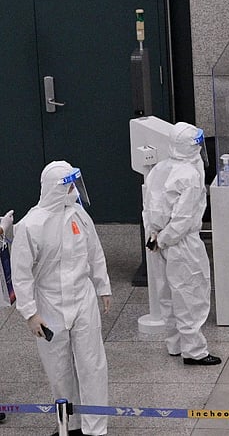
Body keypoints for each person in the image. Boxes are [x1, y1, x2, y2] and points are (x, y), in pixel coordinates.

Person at [11, 161, 111, 436]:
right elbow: (21, 275)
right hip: (49, 303)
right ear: (55, 188)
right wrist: (30, 313)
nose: (73, 191)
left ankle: (95, 427)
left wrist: (103, 287)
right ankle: (70, 424)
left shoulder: (78, 215)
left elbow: (95, 251)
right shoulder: (31, 226)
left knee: (92, 364)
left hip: (83, 298)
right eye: (67, 186)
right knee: (59, 369)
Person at [143, 122, 221, 365]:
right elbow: (183, 219)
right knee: (190, 294)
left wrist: (155, 238)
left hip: (156, 241)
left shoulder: (160, 168)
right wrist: (165, 239)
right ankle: (194, 351)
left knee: (166, 294)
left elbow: (148, 206)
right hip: (181, 243)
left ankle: (174, 344)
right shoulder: (190, 175)